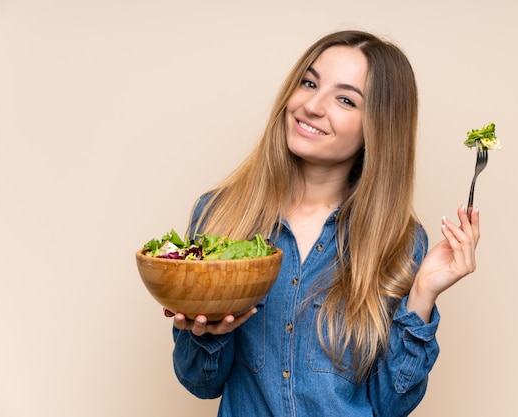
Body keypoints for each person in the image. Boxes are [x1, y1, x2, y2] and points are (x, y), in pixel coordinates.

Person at [165, 30, 480, 417]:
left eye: (345, 99)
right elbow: (201, 382)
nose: (312, 105)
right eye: (309, 82)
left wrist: (423, 296)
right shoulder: (221, 217)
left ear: (377, 128)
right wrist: (206, 332)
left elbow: (390, 403)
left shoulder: (399, 242)